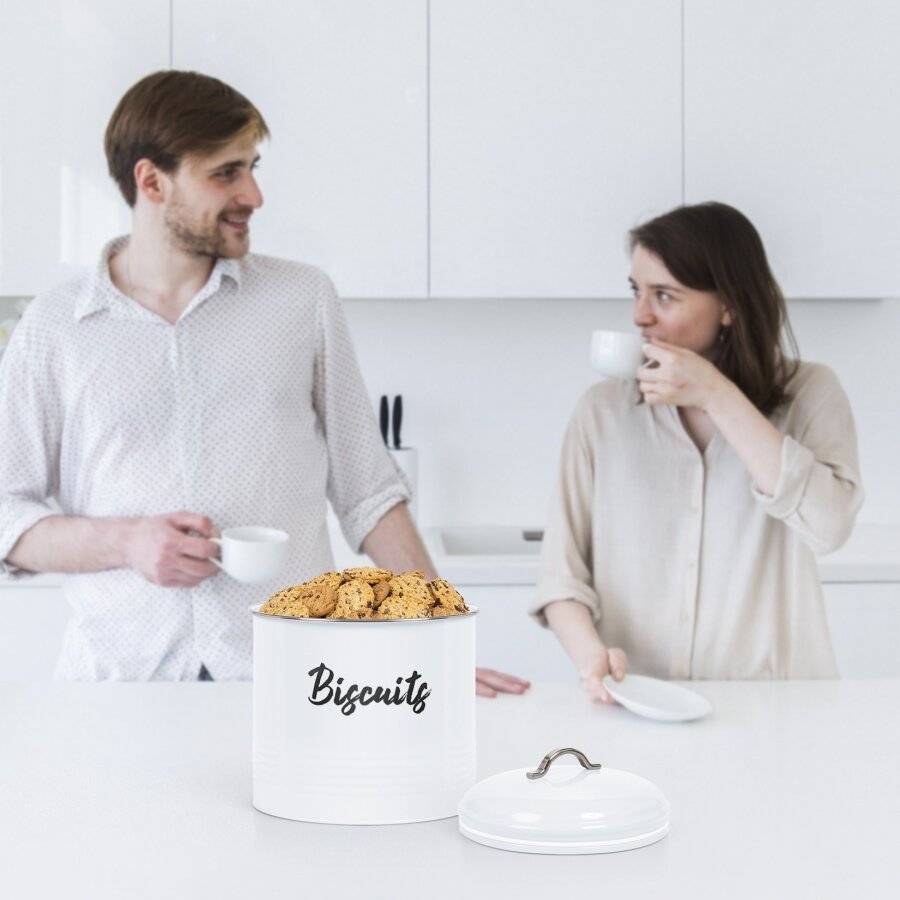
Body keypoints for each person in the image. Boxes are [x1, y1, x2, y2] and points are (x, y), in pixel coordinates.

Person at [0, 69, 528, 697]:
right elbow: (8, 518)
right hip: (120, 685)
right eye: (225, 172)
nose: (253, 194)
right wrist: (129, 542)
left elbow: (369, 491)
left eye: (251, 167)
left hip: (294, 676)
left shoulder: (301, 299)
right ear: (152, 181)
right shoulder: (55, 327)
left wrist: (441, 638)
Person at [532, 202, 863, 702]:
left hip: (780, 709)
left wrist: (716, 394)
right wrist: (590, 659)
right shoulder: (602, 414)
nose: (640, 315)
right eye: (636, 290)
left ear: (728, 305)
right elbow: (561, 577)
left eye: (664, 296)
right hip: (640, 700)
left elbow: (829, 526)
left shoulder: (812, 394)